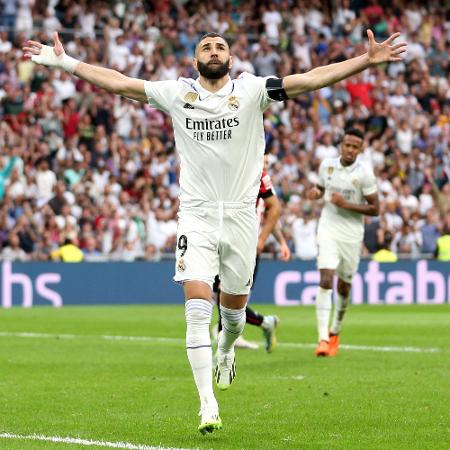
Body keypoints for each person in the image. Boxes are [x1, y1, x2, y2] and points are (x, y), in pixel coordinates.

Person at [23, 29, 406, 433]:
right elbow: (120, 81)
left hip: (242, 216)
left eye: (220, 46)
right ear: (195, 60)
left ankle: (226, 350)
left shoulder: (254, 90)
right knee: (196, 309)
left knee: (234, 317)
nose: (213, 50)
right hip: (197, 215)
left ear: (231, 57)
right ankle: (208, 404)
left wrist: (364, 61)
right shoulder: (177, 93)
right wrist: (66, 62)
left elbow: (309, 78)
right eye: (206, 46)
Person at [308, 128, 380, 357]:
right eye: (347, 145)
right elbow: (320, 188)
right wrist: (316, 193)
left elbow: (375, 208)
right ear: (341, 145)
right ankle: (322, 339)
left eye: (355, 147)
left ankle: (335, 331)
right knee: (326, 278)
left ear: (361, 149)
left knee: (344, 285)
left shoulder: (365, 174)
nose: (350, 150)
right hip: (328, 227)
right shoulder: (326, 166)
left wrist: (346, 205)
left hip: (351, 234)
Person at [213, 166, 291, 352]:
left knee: (233, 298)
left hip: (247, 246)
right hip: (223, 242)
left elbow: (273, 213)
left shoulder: (260, 176)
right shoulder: (231, 170)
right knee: (221, 296)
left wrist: (271, 241)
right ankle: (260, 325)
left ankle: (228, 343)